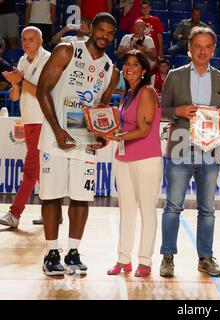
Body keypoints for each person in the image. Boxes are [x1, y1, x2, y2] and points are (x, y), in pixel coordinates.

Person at [35, 12, 119, 276]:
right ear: (91, 29)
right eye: (101, 30)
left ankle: (73, 252)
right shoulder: (67, 50)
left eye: (110, 33)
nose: (104, 36)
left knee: (82, 198)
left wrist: (102, 134)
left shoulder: (110, 70)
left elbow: (102, 108)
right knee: (52, 195)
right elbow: (42, 90)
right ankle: (51, 253)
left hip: (84, 138)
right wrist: (58, 130)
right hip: (54, 136)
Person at [159, 26, 220, 278]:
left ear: (214, 50)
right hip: (180, 150)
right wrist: (177, 112)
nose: (202, 51)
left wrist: (218, 132)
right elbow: (161, 111)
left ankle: (205, 257)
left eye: (207, 46)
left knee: (208, 209)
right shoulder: (175, 75)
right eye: (198, 46)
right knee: (173, 206)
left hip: (210, 152)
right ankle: (167, 257)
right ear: (189, 49)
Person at [105, 50, 162, 277]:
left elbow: (143, 129)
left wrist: (116, 136)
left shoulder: (147, 92)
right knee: (126, 209)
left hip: (146, 158)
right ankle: (123, 259)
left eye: (135, 64)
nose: (129, 68)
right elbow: (125, 128)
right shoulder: (128, 94)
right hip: (124, 157)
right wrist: (108, 133)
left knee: (147, 210)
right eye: (126, 64)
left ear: (144, 70)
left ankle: (145, 261)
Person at [0, 27, 51, 228]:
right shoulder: (22, 60)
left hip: (43, 121)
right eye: (24, 39)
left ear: (40, 41)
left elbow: (43, 93)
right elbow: (16, 96)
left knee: (31, 170)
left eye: (31, 39)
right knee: (40, 171)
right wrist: (14, 84)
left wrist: (21, 80)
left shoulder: (47, 59)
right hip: (28, 120)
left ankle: (15, 213)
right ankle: (53, 213)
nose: (26, 42)